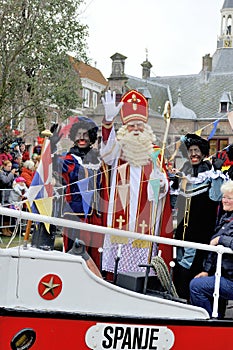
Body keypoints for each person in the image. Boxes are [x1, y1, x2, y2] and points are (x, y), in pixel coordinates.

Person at [100, 90, 172, 280]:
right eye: (131, 126)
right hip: (120, 219)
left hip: (145, 221)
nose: (136, 129)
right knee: (117, 267)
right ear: (124, 129)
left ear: (146, 128)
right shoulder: (117, 149)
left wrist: (160, 182)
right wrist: (108, 122)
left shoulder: (156, 152)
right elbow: (105, 153)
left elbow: (162, 192)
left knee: (141, 272)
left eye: (140, 125)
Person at [173, 133, 226, 300]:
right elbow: (174, 200)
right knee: (180, 263)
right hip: (182, 231)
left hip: (200, 232)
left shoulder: (210, 175)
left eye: (197, 151)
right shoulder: (184, 173)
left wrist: (217, 172)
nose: (193, 154)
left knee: (191, 265)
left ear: (203, 154)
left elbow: (217, 197)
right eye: (190, 151)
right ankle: (179, 297)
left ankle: (190, 298)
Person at [51, 117, 103, 269]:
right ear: (73, 137)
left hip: (95, 214)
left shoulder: (98, 159)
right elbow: (56, 165)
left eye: (86, 134)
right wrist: (52, 146)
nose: (82, 137)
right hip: (75, 214)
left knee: (94, 253)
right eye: (79, 134)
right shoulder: (68, 158)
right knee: (74, 253)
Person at [190, 180, 233, 318]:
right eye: (224, 197)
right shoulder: (225, 218)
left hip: (231, 279)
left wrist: (221, 240)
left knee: (196, 286)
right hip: (224, 274)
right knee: (204, 282)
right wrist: (206, 271)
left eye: (229, 198)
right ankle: (217, 320)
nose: (224, 201)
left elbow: (218, 242)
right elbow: (212, 252)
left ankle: (209, 322)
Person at [0, 160, 18, 236]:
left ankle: (7, 228)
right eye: (8, 166)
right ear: (4, 166)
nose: (10, 168)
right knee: (3, 213)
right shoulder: (1, 173)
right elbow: (5, 181)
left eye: (11, 166)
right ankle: (3, 229)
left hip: (9, 196)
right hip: (2, 196)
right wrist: (11, 174)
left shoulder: (9, 173)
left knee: (8, 213)